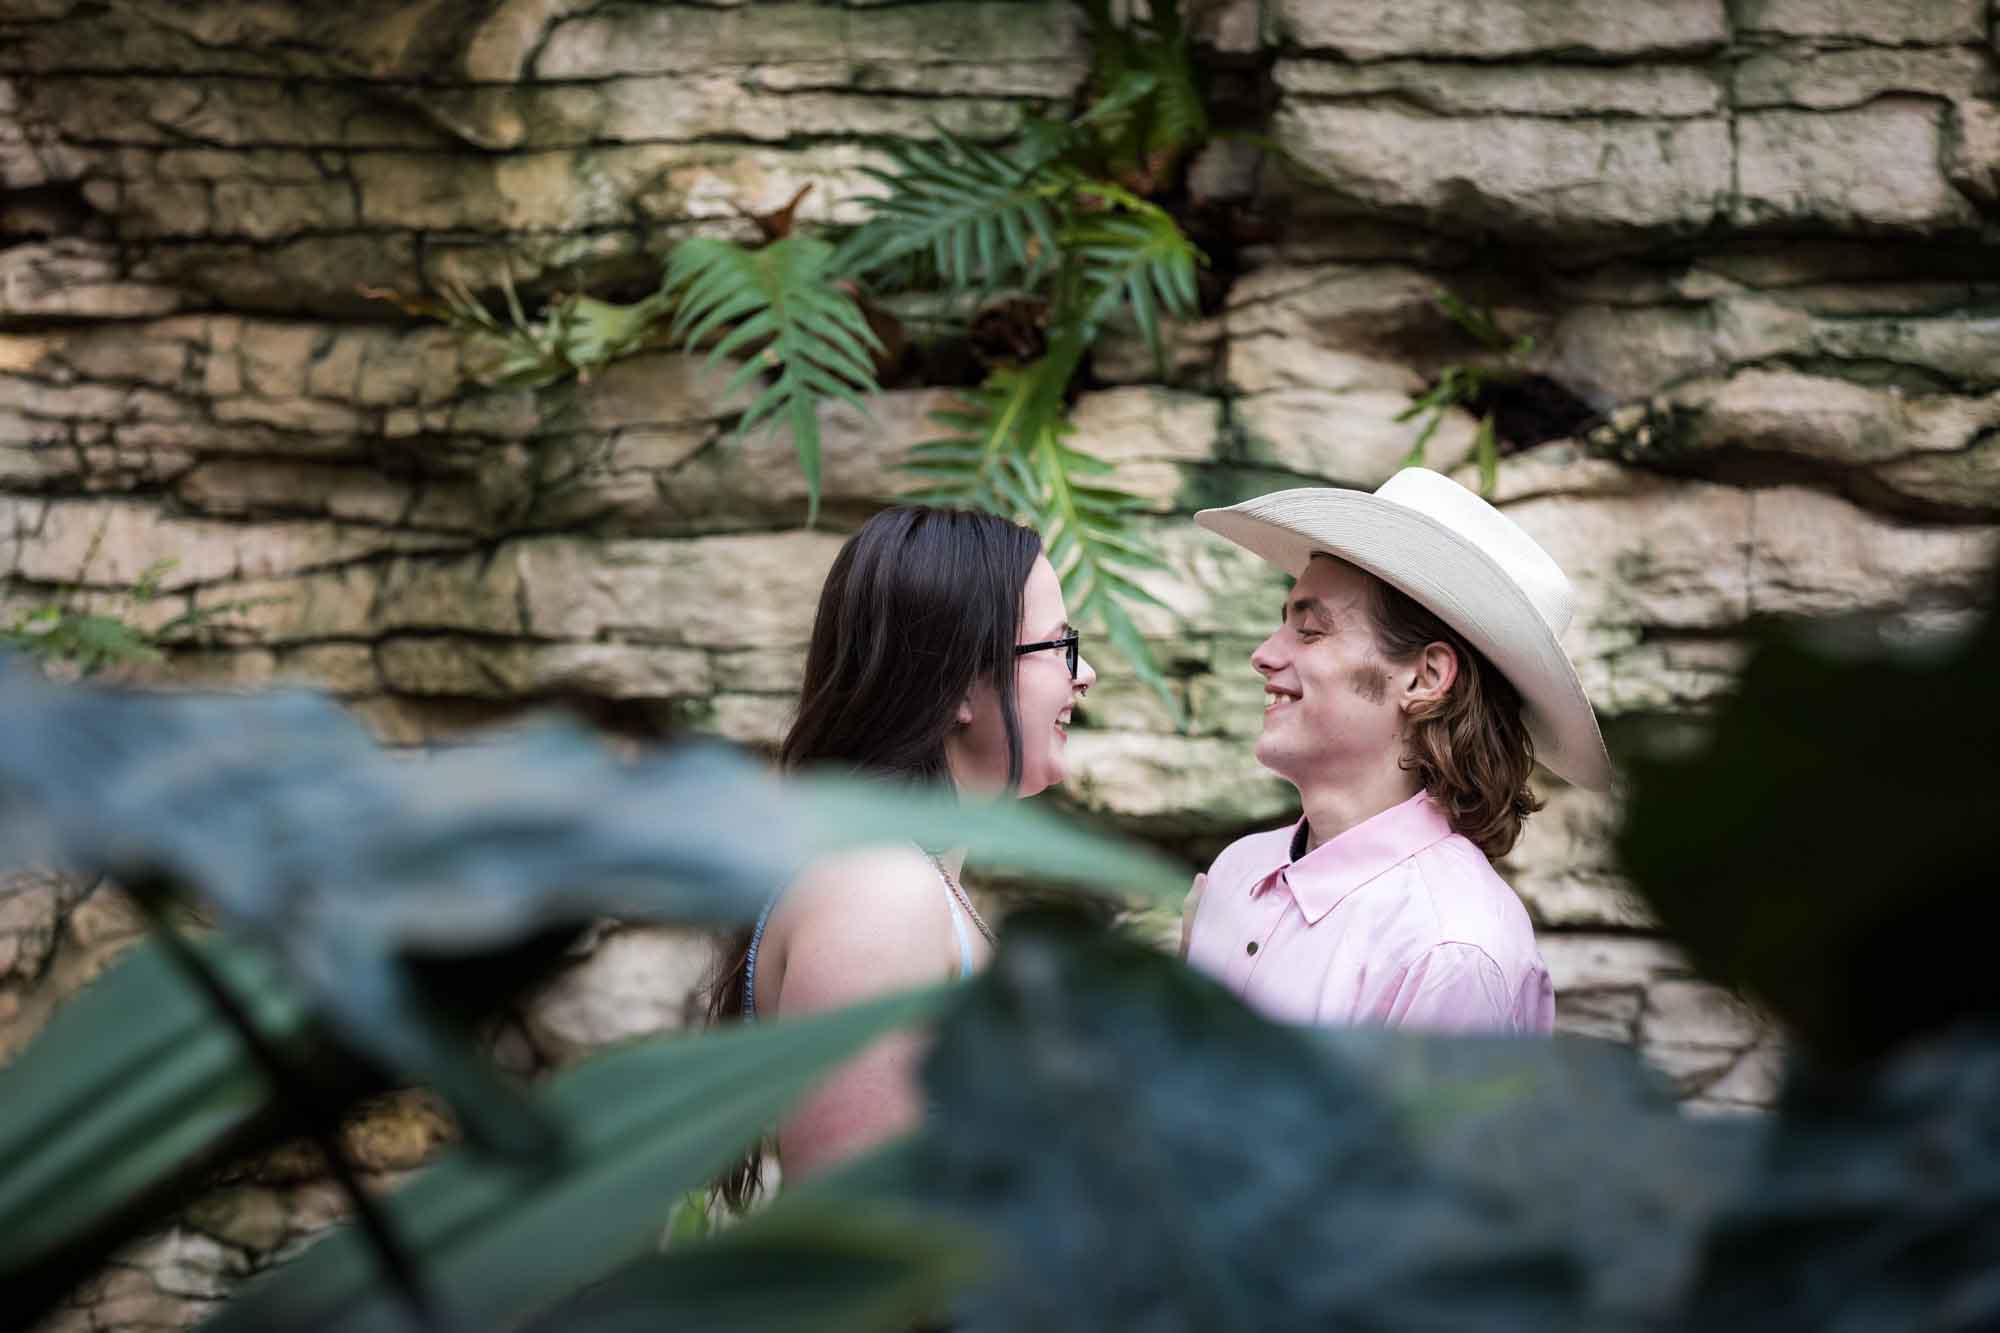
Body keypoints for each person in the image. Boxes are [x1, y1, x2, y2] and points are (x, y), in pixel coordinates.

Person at [705, 505, 1095, 1207]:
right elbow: (858, 1237)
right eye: (1059, 647)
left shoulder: (897, 875)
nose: (1085, 673)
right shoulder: (880, 890)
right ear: (957, 687)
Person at [1180, 468, 1614, 1033]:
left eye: (1310, 631)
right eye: (1281, 624)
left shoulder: (1451, 950)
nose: (1263, 655)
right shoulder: (1238, 872)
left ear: (1425, 677)